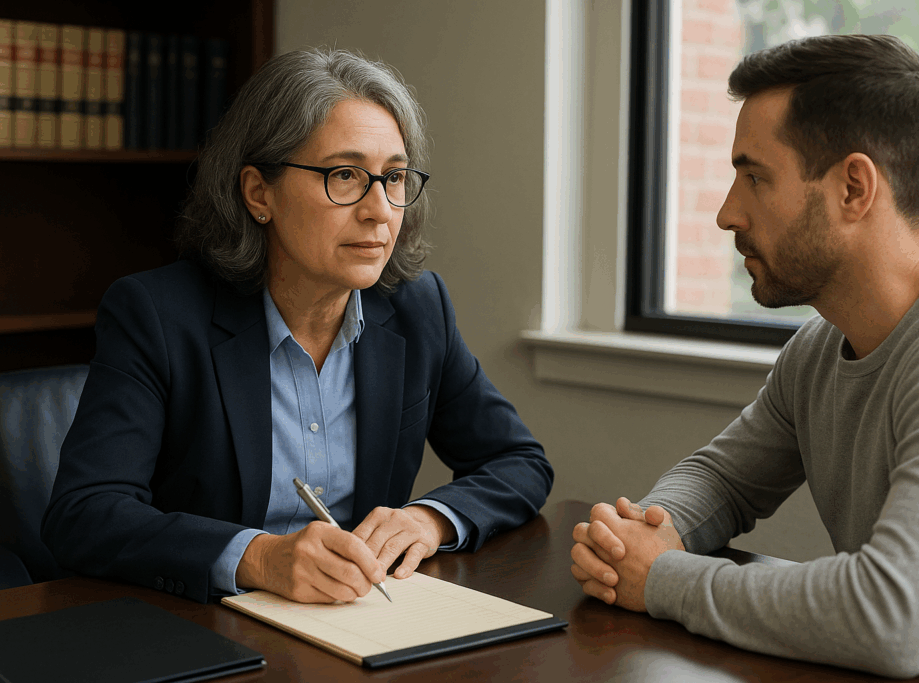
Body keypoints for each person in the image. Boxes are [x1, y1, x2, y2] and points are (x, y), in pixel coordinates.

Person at [570, 34, 919, 679]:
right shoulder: (820, 346)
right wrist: (638, 537)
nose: (728, 213)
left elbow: (897, 619)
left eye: (755, 177)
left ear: (853, 188)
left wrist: (663, 578)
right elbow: (722, 478)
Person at [42, 48, 552, 606]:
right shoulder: (157, 314)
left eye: (396, 177)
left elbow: (519, 461)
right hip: (202, 626)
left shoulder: (417, 307)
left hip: (357, 622)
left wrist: (430, 519)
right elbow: (84, 513)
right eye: (345, 175)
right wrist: (259, 557)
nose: (380, 209)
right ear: (259, 193)